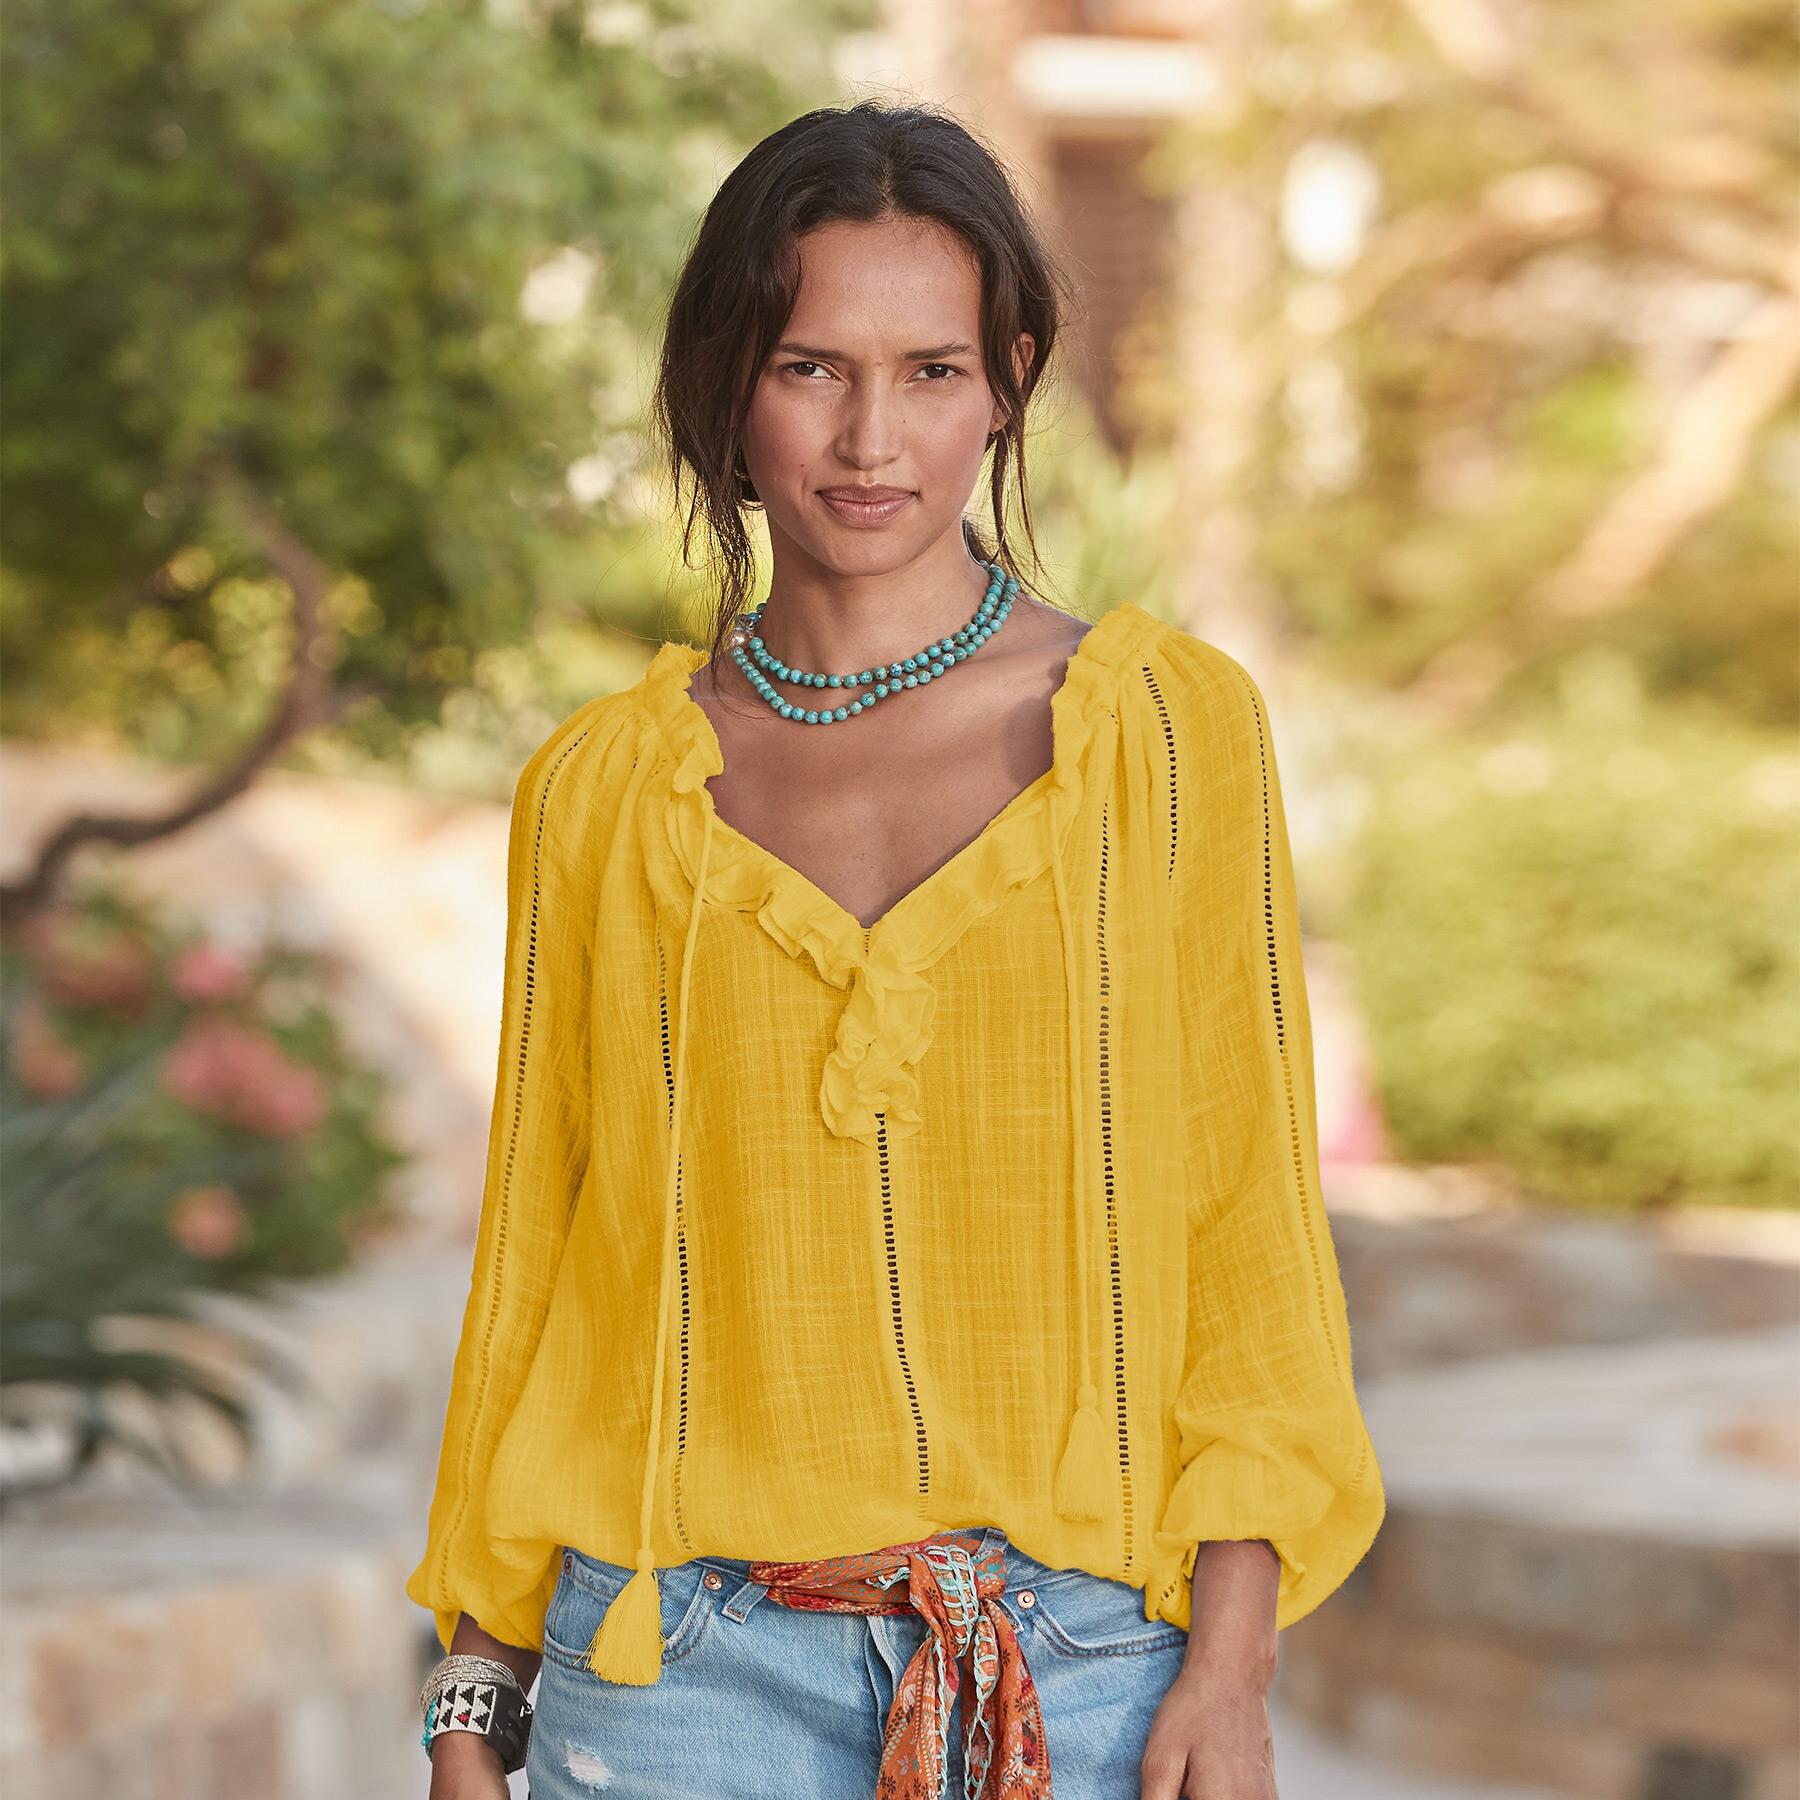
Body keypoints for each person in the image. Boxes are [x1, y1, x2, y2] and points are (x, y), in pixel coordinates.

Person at [409, 98, 1384, 1800]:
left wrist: (1232, 1671)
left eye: (932, 371)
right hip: (668, 1683)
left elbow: (1247, 1231)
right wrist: (471, 1699)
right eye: (811, 368)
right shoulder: (602, 792)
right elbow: (541, 1262)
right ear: (728, 384)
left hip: (1082, 1676)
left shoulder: (1162, 737)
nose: (872, 439)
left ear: (1010, 381)